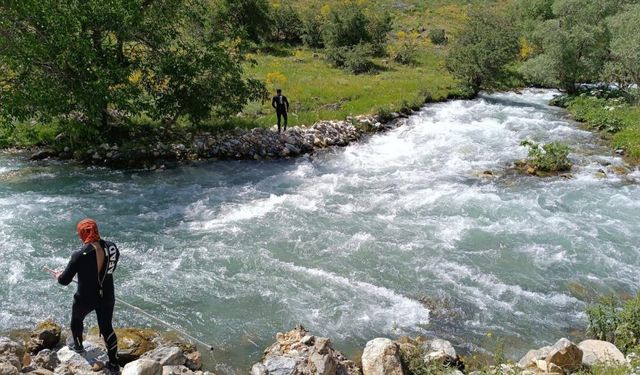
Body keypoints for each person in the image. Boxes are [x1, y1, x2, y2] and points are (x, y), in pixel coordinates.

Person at [52, 219, 121, 374]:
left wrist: (58, 275)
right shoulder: (112, 247)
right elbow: (112, 267)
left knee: (76, 321)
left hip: (86, 297)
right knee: (107, 327)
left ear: (82, 233)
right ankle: (114, 365)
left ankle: (78, 348)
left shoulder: (79, 255)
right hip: (107, 294)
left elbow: (64, 281)